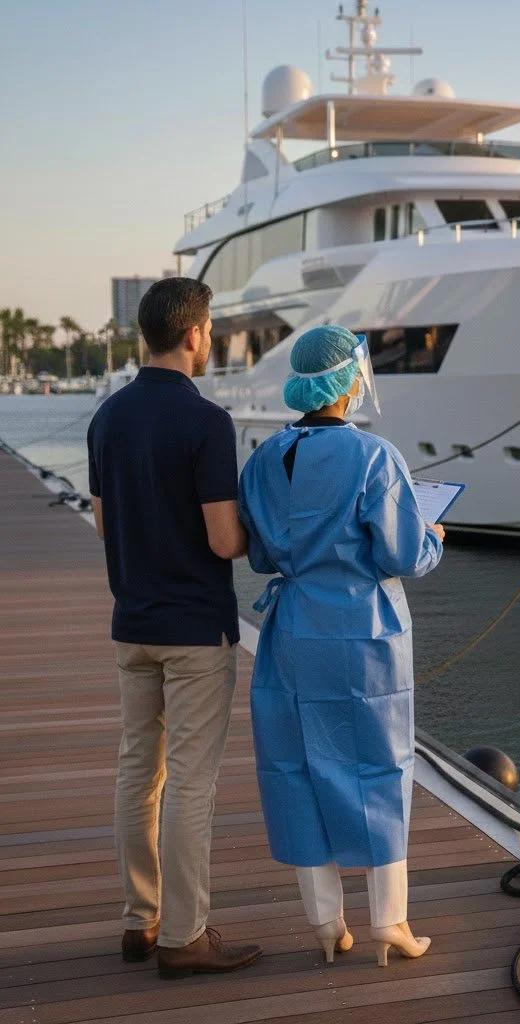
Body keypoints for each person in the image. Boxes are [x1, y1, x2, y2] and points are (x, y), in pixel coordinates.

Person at [238, 324, 444, 967]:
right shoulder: (374, 457)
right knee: (380, 768)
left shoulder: (264, 457)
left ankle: (327, 925)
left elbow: (261, 554)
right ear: (350, 380)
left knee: (296, 768)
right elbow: (403, 553)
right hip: (364, 633)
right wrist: (434, 532)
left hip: (292, 630)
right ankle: (391, 922)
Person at [87, 278, 263, 980]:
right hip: (195, 629)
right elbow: (224, 542)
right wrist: (263, 533)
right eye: (211, 327)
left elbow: (104, 524)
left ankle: (142, 921)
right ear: (194, 335)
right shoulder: (206, 422)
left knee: (139, 772)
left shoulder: (107, 417)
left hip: (132, 623)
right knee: (191, 783)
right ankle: (185, 938)